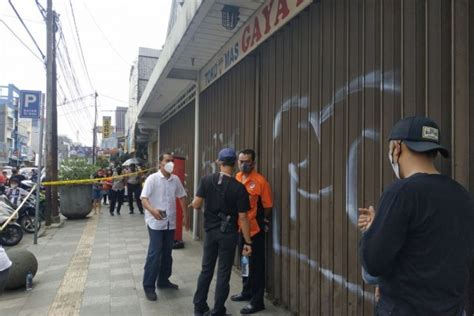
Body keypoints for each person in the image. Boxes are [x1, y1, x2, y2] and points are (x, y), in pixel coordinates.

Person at [359, 116, 474, 315]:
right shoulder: (462, 195)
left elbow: (373, 262)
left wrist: (372, 231)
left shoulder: (401, 193)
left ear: (397, 147)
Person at [191, 148, 253, 316]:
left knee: (206, 269)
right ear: (234, 164)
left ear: (218, 162)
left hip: (210, 232)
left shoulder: (205, 180)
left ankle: (199, 306)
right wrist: (248, 241)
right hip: (229, 234)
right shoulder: (239, 188)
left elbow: (196, 204)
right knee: (223, 272)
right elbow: (243, 218)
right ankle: (218, 311)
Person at [230, 149, 273, 314]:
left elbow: (268, 207)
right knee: (245, 263)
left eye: (246, 161)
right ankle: (246, 291)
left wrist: (260, 221)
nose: (243, 164)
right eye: (240, 161)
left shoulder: (261, 182)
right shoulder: (238, 178)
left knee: (256, 267)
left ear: (253, 163)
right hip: (240, 229)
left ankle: (257, 301)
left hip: (254, 232)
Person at [140, 153, 187, 301]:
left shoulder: (175, 179)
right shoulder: (152, 179)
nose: (170, 163)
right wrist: (153, 210)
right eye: (167, 161)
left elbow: (182, 196)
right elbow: (144, 199)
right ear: (160, 163)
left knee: (167, 253)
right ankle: (148, 286)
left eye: (172, 161)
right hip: (155, 222)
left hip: (170, 222)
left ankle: (163, 281)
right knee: (154, 254)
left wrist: (185, 215)